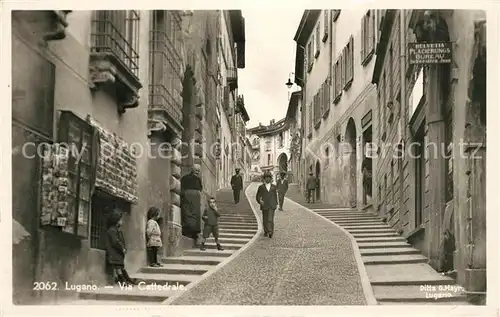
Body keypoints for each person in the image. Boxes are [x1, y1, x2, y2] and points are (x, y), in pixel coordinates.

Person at [105, 210, 137, 285]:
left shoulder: (116, 230)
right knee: (118, 267)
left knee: (121, 266)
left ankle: (127, 279)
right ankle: (123, 281)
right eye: (120, 219)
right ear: (116, 221)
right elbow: (115, 241)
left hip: (117, 252)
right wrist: (122, 248)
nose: (122, 221)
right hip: (114, 252)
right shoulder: (112, 230)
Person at [180, 164, 203, 247]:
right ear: (192, 170)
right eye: (196, 170)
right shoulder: (196, 179)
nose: (197, 172)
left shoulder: (186, 178)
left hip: (191, 197)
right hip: (192, 197)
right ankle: (192, 232)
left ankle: (191, 232)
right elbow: (200, 188)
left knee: (191, 214)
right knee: (192, 214)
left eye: (198, 170)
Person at [256, 171, 279, 238]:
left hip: (272, 205)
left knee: (270, 219)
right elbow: (258, 196)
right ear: (264, 179)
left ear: (271, 178)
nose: (267, 179)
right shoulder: (261, 187)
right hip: (264, 205)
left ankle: (270, 231)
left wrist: (276, 204)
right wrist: (260, 201)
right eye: (266, 178)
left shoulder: (274, 187)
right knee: (265, 219)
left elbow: (275, 196)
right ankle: (266, 231)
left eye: (269, 178)